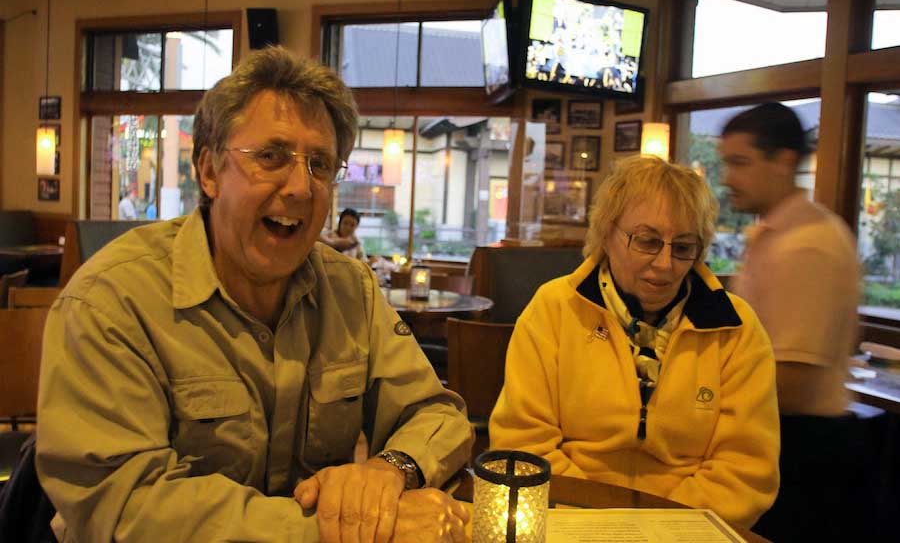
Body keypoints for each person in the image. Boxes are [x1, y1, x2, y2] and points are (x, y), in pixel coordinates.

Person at [36, 46, 472, 543]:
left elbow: (436, 413)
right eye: (271, 156)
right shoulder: (110, 300)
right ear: (208, 171)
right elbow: (124, 502)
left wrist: (390, 471)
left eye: (321, 164)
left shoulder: (351, 290)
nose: (302, 188)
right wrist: (346, 530)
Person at [489, 155, 779, 528]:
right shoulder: (554, 309)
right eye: (647, 241)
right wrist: (603, 524)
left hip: (687, 530)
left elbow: (745, 470)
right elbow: (522, 441)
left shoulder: (736, 330)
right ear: (607, 234)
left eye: (683, 247)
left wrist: (658, 528)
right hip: (568, 517)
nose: (665, 264)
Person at [719, 102, 868, 541]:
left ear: (784, 161)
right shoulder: (773, 234)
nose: (727, 177)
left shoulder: (809, 246)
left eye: (739, 163)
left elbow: (794, 381)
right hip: (781, 435)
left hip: (803, 445)